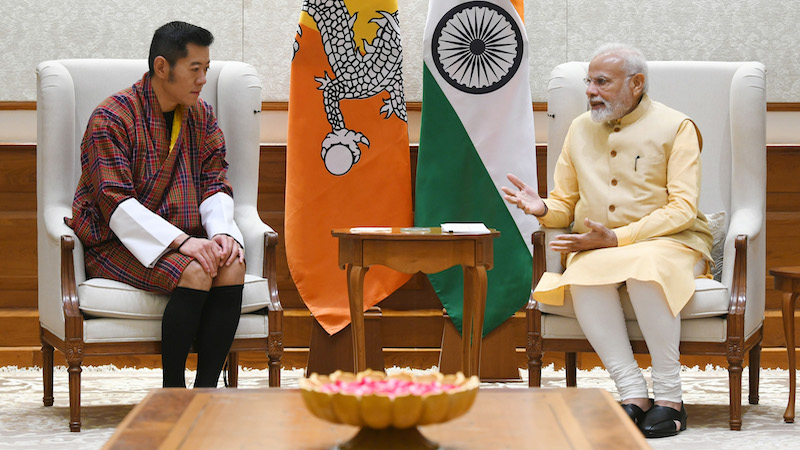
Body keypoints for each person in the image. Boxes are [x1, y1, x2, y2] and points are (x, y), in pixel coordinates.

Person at [502, 44, 712, 438]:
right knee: (583, 274)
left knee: (645, 267)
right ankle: (633, 394)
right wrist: (543, 209)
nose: (590, 91)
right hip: (600, 246)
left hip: (671, 241)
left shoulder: (677, 126)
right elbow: (565, 204)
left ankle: (670, 398)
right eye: (589, 81)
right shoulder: (579, 128)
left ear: (636, 84)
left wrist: (619, 238)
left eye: (602, 82)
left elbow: (683, 208)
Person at [66, 21, 246, 388]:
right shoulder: (111, 117)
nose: (202, 80)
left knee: (232, 265)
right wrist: (184, 243)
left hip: (182, 237)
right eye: (194, 69)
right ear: (162, 67)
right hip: (113, 241)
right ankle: (173, 392)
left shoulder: (202, 116)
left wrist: (224, 234)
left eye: (206, 70)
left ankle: (207, 391)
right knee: (195, 271)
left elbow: (215, 180)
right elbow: (114, 203)